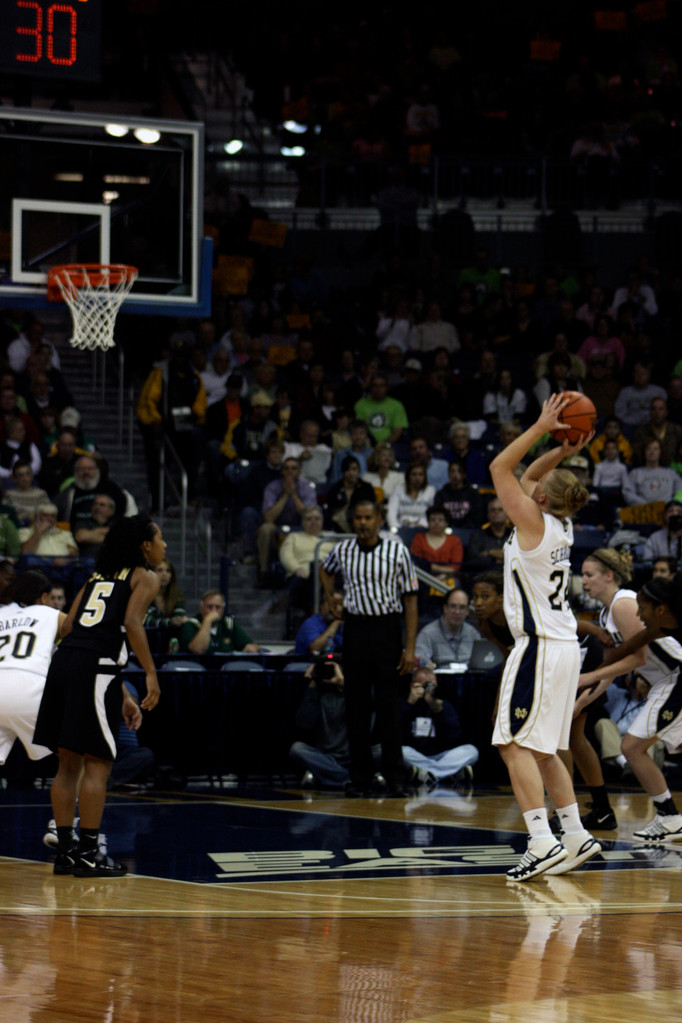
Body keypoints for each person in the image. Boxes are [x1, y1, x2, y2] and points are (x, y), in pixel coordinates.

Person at [489, 393, 601, 881]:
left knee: (511, 745)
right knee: (547, 750)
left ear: (539, 498)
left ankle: (541, 841)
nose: (535, 477)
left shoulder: (533, 519)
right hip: (563, 649)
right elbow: (531, 475)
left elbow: (502, 468)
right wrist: (566, 447)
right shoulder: (561, 522)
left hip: (536, 647)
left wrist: (542, 426)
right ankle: (574, 834)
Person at [33, 515, 165, 877]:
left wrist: (118, 687)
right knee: (98, 763)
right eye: (160, 540)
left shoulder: (95, 577)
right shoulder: (145, 576)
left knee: (68, 763)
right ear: (145, 546)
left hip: (67, 661)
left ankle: (66, 853)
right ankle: (90, 852)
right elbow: (133, 624)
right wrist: (150, 673)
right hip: (95, 666)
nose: (164, 546)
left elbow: (71, 626)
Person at [320, 498, 419, 796]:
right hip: (356, 628)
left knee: (389, 705)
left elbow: (411, 598)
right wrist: (330, 597)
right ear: (353, 521)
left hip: (387, 628)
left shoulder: (397, 550)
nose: (363, 523)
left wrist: (410, 647)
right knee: (356, 706)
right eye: (358, 518)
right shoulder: (343, 550)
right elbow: (325, 569)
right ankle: (360, 776)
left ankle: (395, 776)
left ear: (378, 519)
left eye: (368, 517)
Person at [578, 575, 682, 841]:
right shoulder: (650, 627)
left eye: (642, 608)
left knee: (632, 747)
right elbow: (619, 657)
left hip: (674, 680)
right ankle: (669, 815)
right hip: (666, 684)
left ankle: (669, 816)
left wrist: (588, 679)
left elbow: (635, 658)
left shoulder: (621, 604)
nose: (637, 614)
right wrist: (582, 698)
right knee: (634, 747)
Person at [0, 569, 66, 774]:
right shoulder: (52, 614)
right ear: (44, 597)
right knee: (71, 753)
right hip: (28, 684)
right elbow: (84, 639)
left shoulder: (1, 612)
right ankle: (77, 803)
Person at [401, 666, 478, 784]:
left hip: (441, 756)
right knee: (401, 752)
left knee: (471, 751)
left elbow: (454, 737)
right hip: (415, 755)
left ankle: (428, 774)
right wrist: (410, 703)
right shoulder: (405, 702)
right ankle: (448, 773)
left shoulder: (443, 704)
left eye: (431, 686)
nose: (429, 690)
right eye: (425, 686)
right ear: (413, 686)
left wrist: (438, 710)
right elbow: (395, 733)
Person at [289, 660, 351, 789]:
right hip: (324, 756)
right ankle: (348, 778)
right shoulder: (316, 693)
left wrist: (344, 685)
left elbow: (366, 710)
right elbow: (304, 724)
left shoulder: (354, 693)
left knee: (383, 749)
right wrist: (312, 686)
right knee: (297, 749)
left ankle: (329, 776)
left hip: (353, 755)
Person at [179, 589, 259, 655]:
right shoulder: (190, 625)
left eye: (217, 607)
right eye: (209, 607)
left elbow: (251, 645)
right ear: (201, 608)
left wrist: (250, 649)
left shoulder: (228, 624)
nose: (213, 611)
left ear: (223, 609)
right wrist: (208, 621)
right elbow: (198, 650)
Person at [415, 588, 478, 668]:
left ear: (467, 611)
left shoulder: (472, 633)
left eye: (462, 607)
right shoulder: (428, 633)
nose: (457, 612)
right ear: (445, 608)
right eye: (453, 606)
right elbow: (420, 662)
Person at [410, 507, 463, 590]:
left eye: (440, 520)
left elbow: (455, 568)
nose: (436, 523)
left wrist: (431, 568)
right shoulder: (419, 538)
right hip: (422, 578)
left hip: (447, 578)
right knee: (412, 585)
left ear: (446, 523)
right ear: (428, 522)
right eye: (433, 520)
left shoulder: (455, 541)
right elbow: (415, 564)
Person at [294, 591, 345, 656]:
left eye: (340, 604)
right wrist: (335, 624)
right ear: (322, 605)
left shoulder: (343, 625)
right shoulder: (311, 623)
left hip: (335, 662)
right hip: (308, 663)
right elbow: (316, 648)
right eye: (334, 604)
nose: (338, 608)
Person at [386, 463, 435, 529]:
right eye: (414, 474)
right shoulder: (399, 489)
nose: (417, 478)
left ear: (425, 477)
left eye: (421, 475)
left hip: (424, 526)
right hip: (401, 526)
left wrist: (427, 525)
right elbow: (391, 510)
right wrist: (394, 526)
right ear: (408, 476)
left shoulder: (430, 490)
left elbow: (433, 513)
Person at [466, 497, 512, 568]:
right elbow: (473, 561)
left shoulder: (514, 535)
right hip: (484, 575)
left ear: (507, 514)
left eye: (500, 510)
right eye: (493, 510)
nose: (496, 513)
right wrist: (499, 557)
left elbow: (519, 558)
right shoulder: (478, 536)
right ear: (488, 514)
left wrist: (489, 552)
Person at [143, 557, 187, 628]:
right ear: (151, 573)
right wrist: (170, 622)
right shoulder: (144, 594)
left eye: (168, 571)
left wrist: (176, 620)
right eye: (160, 570)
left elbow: (179, 616)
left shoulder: (177, 595)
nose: (164, 574)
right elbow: (147, 621)